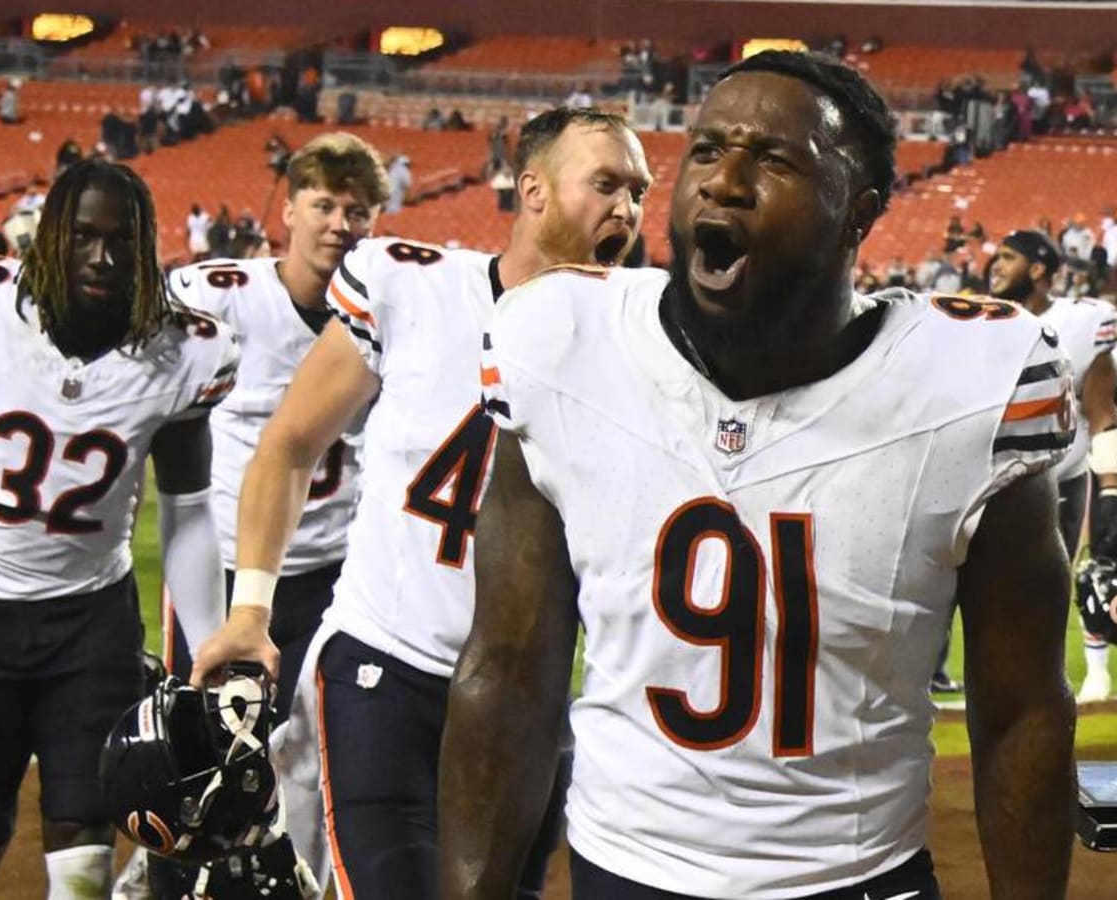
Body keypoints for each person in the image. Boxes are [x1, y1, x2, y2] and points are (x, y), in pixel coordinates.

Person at [442, 51, 1079, 899]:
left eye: (774, 160)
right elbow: (509, 670)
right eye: (707, 150)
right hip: (625, 869)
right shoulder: (562, 341)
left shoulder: (972, 383)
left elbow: (1022, 710)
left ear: (858, 215)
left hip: (853, 877)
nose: (725, 182)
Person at [189, 108, 651, 900]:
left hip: (528, 699)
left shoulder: (644, 332)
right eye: (606, 183)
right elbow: (290, 443)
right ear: (533, 189)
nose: (629, 209)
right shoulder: (415, 286)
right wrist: (251, 608)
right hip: (386, 670)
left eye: (639, 191)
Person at [0, 160, 238, 898]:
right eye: (85, 238)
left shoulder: (185, 350)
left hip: (88, 622)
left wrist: (209, 646)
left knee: (84, 841)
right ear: (51, 241)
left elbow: (186, 505)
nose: (103, 258)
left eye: (122, 241)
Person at [150, 132, 388, 893]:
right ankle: (163, 875)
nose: (338, 224)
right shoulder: (217, 295)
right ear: (289, 209)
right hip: (224, 567)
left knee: (314, 754)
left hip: (331, 575)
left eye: (356, 210)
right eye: (323, 205)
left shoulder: (388, 312)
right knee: (198, 747)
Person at [989, 229, 1117, 704]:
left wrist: (1112, 492)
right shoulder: (979, 319)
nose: (995, 266)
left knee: (1043, 602)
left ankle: (1033, 697)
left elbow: (1103, 412)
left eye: (1008, 257)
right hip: (982, 482)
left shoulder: (1084, 322)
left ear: (1039, 268)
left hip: (1056, 486)